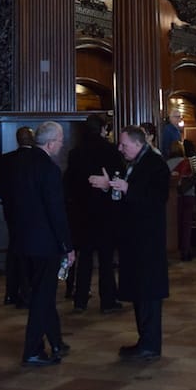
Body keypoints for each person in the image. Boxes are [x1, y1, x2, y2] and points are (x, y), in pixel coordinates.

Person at [88, 125, 169, 360]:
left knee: (149, 294)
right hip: (135, 239)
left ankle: (150, 344)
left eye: (123, 144)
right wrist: (109, 187)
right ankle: (144, 340)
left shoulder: (155, 164)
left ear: (137, 143)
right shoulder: (134, 164)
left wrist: (127, 188)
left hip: (148, 241)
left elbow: (157, 199)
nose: (120, 148)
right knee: (140, 292)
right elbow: (126, 196)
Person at [1, 121, 74, 366]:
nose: (62, 145)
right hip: (45, 244)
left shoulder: (16, 164)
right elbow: (56, 211)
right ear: (51, 143)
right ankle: (32, 350)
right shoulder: (49, 169)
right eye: (61, 140)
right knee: (43, 297)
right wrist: (67, 244)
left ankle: (56, 341)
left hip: (22, 240)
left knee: (43, 293)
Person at [62, 115, 122, 314]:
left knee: (84, 257)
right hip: (105, 211)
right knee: (106, 258)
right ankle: (108, 301)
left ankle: (80, 300)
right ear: (103, 129)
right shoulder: (111, 150)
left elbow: (69, 184)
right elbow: (119, 177)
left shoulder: (75, 153)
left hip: (82, 213)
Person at [0, 126, 35, 308]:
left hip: (11, 213)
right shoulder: (37, 159)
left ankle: (11, 292)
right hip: (33, 215)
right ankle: (27, 293)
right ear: (31, 139)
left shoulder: (6, 160)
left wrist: (10, 203)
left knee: (14, 251)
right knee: (28, 253)